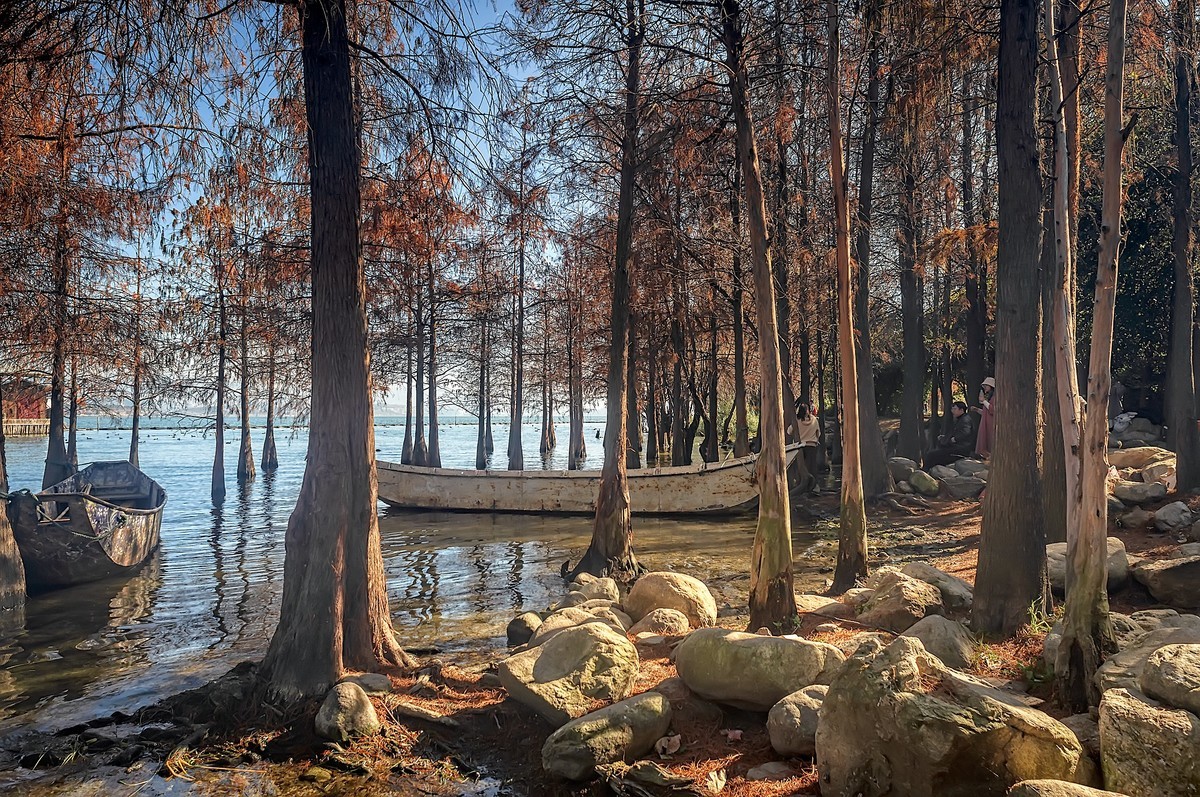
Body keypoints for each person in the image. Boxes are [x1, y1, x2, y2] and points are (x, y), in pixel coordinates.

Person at [925, 401, 976, 468]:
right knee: (936, 452)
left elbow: (965, 432)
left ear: (961, 410)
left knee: (931, 455)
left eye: (955, 409)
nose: (952, 411)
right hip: (956, 447)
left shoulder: (965, 420)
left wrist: (954, 439)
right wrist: (945, 437)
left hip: (961, 449)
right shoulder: (960, 419)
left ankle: (926, 470)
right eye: (952, 409)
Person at [795, 401, 821, 494]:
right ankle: (815, 486)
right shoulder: (814, 419)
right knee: (812, 466)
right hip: (812, 445)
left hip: (801, 446)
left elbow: (789, 431)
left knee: (801, 466)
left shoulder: (797, 420)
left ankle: (800, 484)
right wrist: (816, 439)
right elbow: (818, 432)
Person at [973, 376, 996, 458]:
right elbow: (986, 413)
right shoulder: (991, 398)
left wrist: (984, 401)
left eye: (986, 386)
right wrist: (977, 410)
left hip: (991, 424)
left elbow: (993, 410)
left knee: (990, 439)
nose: (984, 388)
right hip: (987, 423)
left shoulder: (995, 398)